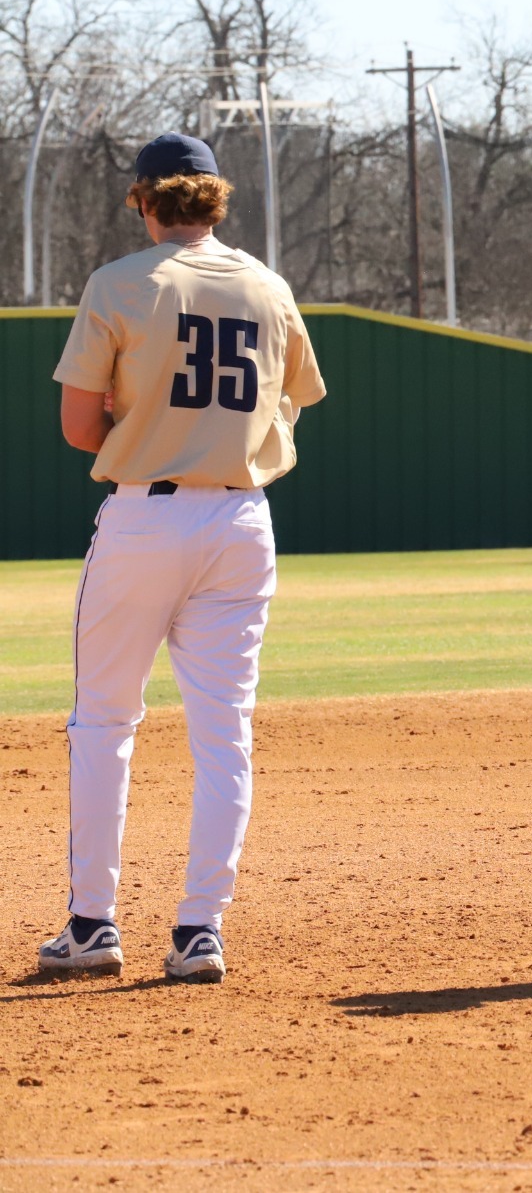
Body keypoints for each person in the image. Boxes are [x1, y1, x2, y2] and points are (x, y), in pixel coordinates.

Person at [36, 133, 327, 983]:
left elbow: (79, 428)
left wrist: (153, 424)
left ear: (144, 200)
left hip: (145, 518)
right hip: (242, 520)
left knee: (104, 722)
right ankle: (200, 929)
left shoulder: (122, 284)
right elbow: (292, 407)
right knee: (224, 732)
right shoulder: (269, 287)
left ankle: (93, 922)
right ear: (214, 198)